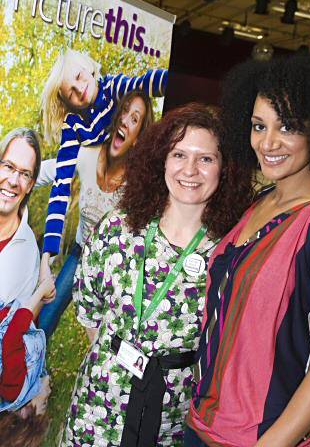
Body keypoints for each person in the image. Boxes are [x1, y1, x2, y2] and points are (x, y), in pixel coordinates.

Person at [185, 54, 310, 447]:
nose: (268, 143)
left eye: (288, 128)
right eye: (258, 126)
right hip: (201, 425)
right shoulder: (260, 201)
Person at [61, 104, 251, 446]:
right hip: (97, 411)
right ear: (161, 159)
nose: (190, 169)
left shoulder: (229, 254)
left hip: (171, 422)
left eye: (206, 159)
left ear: (224, 168)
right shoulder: (118, 229)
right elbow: (89, 310)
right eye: (179, 154)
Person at [40, 49, 168, 282]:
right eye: (71, 92)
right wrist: (47, 257)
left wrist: (169, 81)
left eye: (79, 77)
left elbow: (144, 83)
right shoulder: (73, 125)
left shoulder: (113, 87)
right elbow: (61, 186)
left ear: (89, 68)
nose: (80, 90)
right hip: (84, 238)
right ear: (66, 101)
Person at [37, 90, 154, 338]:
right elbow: (47, 171)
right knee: (44, 318)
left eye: (135, 119)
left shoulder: (137, 183)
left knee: (102, 343)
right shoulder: (86, 154)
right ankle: (30, 371)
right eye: (124, 111)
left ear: (136, 138)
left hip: (110, 271)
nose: (125, 120)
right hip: (79, 253)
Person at [0, 277, 54, 446]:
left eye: (44, 403)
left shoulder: (14, 391)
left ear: (24, 413)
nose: (48, 394)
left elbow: (12, 338)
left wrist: (41, 291)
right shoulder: (21, 388)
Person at [0, 128, 44, 304]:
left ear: (30, 185)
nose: (13, 181)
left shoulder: (28, 253)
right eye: (9, 167)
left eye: (25, 174)